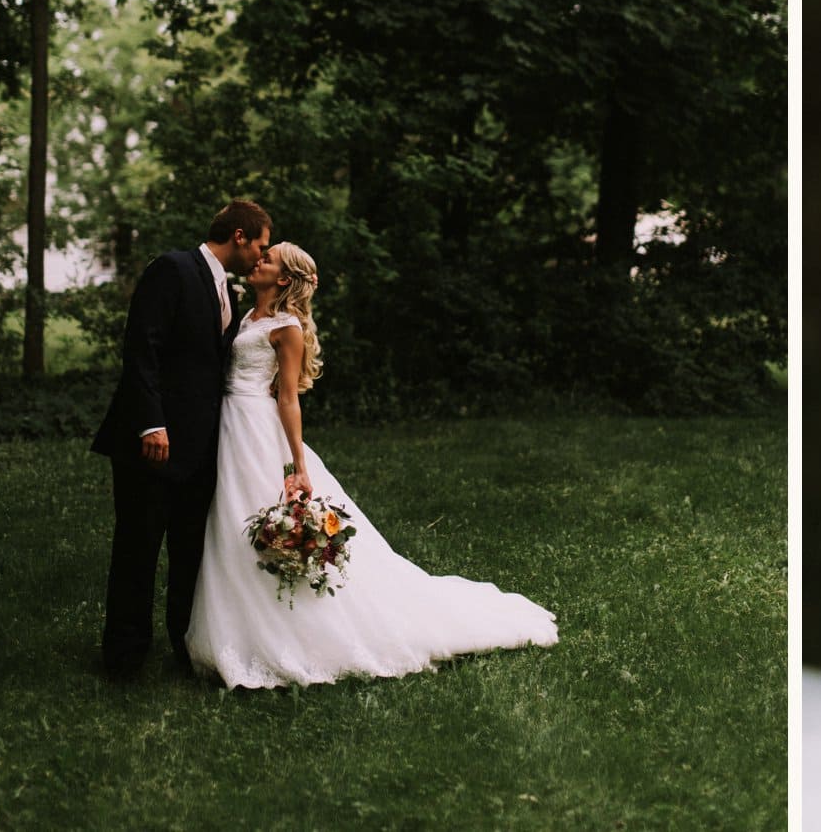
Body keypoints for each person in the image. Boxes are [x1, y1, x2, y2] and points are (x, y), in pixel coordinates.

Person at [183, 241, 557, 688]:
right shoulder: (248, 316)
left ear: (283, 279)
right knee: (228, 526)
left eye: (268, 260)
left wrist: (297, 466)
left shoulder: (287, 328)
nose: (257, 261)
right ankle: (237, 630)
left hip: (257, 431)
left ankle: (289, 634)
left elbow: (288, 397)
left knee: (258, 520)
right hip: (231, 425)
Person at [92, 199, 271, 679]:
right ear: (239, 236)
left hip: (200, 448)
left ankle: (185, 646)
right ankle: (125, 657)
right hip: (154, 441)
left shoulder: (227, 290)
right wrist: (151, 423)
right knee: (138, 547)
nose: (261, 254)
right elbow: (142, 347)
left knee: (191, 551)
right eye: (261, 244)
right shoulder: (173, 268)